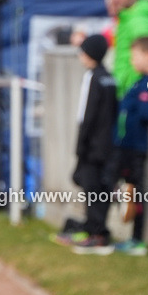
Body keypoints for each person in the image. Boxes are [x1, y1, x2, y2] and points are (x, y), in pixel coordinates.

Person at [59, 35, 118, 254]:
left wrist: (80, 146)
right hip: (108, 146)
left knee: (91, 189)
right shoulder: (110, 78)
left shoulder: (92, 78)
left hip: (93, 146)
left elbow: (86, 115)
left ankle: (97, 234)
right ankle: (99, 231)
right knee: (102, 189)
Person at [111, 36, 148, 255]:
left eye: (135, 55)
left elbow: (147, 113)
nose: (132, 60)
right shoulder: (141, 79)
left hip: (136, 147)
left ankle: (137, 240)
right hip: (125, 144)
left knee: (137, 192)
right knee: (126, 190)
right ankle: (120, 235)